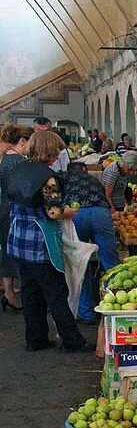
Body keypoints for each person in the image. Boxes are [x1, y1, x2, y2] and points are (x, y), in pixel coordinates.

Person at [5, 130, 86, 352]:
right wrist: (69, 212)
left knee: (31, 292)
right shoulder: (47, 177)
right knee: (56, 292)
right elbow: (53, 212)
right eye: (57, 152)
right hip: (39, 242)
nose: (57, 156)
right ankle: (71, 341)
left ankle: (36, 339)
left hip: (18, 238)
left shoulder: (17, 169)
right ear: (50, 152)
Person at [63, 163, 119, 323]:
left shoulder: (63, 178)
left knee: (79, 263)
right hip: (101, 214)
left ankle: (86, 313)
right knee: (111, 264)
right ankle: (118, 306)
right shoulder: (93, 180)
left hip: (76, 215)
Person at [0, 123, 33, 311]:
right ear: (23, 141)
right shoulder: (19, 162)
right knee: (19, 252)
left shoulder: (5, 159)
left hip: (4, 208)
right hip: (15, 210)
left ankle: (9, 291)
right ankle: (16, 293)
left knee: (6, 250)